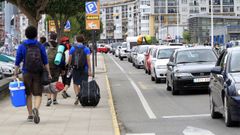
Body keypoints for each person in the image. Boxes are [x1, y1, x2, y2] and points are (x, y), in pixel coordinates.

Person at [14, 26, 52, 124]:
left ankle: (30, 115)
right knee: (38, 94)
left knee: (28, 94)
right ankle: (36, 108)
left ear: (26, 34)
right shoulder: (40, 45)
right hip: (38, 73)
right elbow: (45, 61)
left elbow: (17, 62)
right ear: (36, 35)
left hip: (26, 72)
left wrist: (15, 74)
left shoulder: (22, 46)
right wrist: (48, 73)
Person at [68, 34, 92, 105]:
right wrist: (89, 70)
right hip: (84, 69)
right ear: (83, 40)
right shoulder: (86, 49)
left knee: (75, 83)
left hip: (75, 68)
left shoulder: (72, 48)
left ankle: (77, 95)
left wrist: (69, 66)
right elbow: (88, 60)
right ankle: (81, 96)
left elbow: (70, 58)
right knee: (83, 84)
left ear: (76, 40)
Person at [46, 32, 63, 106]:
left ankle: (49, 99)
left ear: (50, 37)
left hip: (48, 67)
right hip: (56, 67)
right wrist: (63, 69)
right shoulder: (59, 46)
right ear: (56, 38)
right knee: (55, 83)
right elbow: (62, 58)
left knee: (48, 83)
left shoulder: (46, 45)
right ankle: (55, 100)